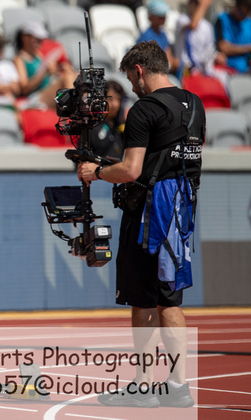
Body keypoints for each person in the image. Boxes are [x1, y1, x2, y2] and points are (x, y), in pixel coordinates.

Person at [77, 41, 205, 408]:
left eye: (133, 80)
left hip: (150, 211)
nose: (133, 88)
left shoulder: (144, 108)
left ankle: (144, 387)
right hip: (180, 210)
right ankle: (179, 386)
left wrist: (97, 171)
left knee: (142, 299)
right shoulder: (195, 104)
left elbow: (131, 169)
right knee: (170, 299)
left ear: (139, 71)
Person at [13, 20, 76, 110]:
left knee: (74, 76)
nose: (40, 43)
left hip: (47, 92)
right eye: (37, 40)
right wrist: (44, 72)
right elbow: (24, 88)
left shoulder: (38, 54)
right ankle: (72, 112)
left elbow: (50, 75)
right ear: (25, 38)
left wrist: (58, 69)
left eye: (41, 40)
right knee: (67, 78)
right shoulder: (19, 59)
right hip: (35, 98)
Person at [174, 0, 229, 85]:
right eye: (196, 2)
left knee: (224, 78)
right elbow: (193, 25)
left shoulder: (207, 26)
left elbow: (209, 50)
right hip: (185, 70)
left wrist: (217, 57)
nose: (198, 5)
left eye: (199, 3)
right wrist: (203, 4)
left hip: (204, 70)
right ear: (189, 2)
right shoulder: (181, 19)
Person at [214, 0, 251, 75]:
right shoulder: (222, 20)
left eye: (246, 14)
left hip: (248, 70)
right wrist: (248, 48)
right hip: (227, 70)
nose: (242, 17)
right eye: (241, 12)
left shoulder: (250, 24)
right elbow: (224, 47)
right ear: (235, 7)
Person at [89, 80, 129, 160]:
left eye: (118, 99)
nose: (115, 104)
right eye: (110, 99)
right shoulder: (91, 127)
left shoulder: (122, 127)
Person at [136, 0, 178, 73]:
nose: (164, 18)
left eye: (164, 15)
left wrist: (173, 64)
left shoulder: (163, 34)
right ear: (150, 17)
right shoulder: (145, 36)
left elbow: (168, 53)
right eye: (160, 16)